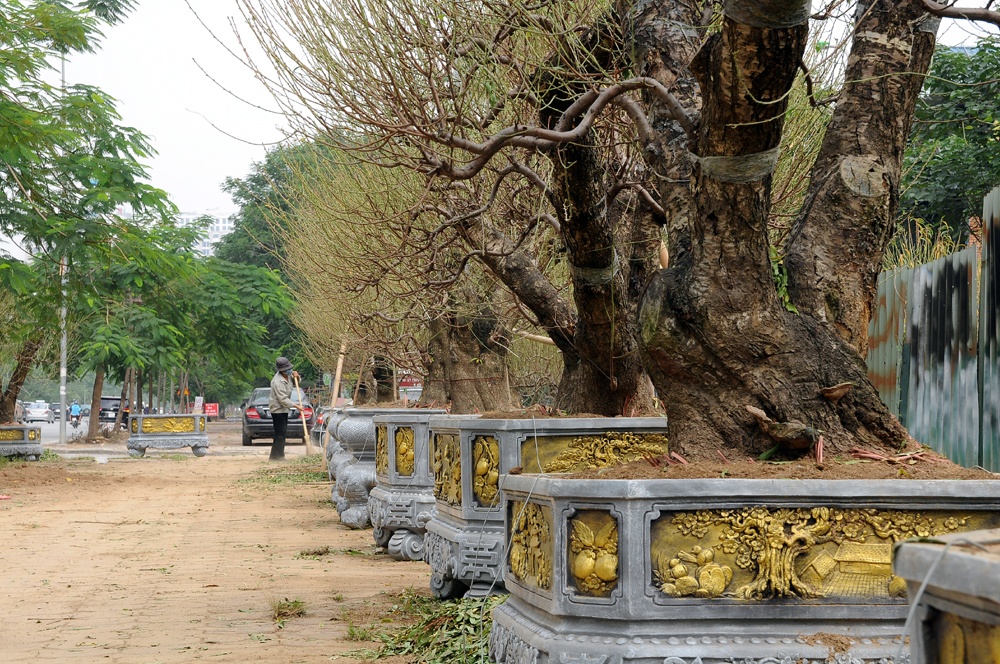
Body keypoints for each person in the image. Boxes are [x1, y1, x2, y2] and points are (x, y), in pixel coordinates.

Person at [268, 356, 300, 461]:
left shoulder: (289, 375)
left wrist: (297, 377)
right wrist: (296, 406)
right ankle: (280, 457)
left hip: (284, 409)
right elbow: (283, 399)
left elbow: (296, 382)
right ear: (281, 370)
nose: (289, 370)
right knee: (280, 434)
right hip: (277, 410)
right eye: (287, 369)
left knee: (280, 433)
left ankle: (273, 457)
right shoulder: (277, 382)